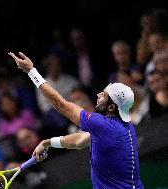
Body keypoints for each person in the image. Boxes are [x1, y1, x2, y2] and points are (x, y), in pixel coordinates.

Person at [8, 52, 144, 189]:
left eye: (104, 95)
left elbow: (60, 104)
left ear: (111, 107)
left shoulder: (102, 125)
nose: (99, 94)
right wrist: (48, 143)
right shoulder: (123, 126)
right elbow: (80, 140)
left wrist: (31, 71)